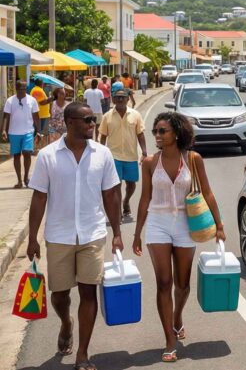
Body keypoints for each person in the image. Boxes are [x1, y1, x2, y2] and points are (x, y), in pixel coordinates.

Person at [26, 101, 123, 369]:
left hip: (92, 233)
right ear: (69, 123)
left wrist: (116, 232)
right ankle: (66, 322)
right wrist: (32, 238)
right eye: (87, 120)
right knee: (59, 293)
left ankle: (82, 353)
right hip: (59, 235)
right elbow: (39, 197)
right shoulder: (47, 156)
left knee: (89, 292)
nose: (93, 124)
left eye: (93, 119)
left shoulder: (103, 154)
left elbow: (111, 195)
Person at [133, 112, 226, 363]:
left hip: (186, 225)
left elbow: (208, 192)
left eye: (162, 131)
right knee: (164, 282)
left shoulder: (193, 159)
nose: (158, 135)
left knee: (182, 284)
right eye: (155, 131)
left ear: (176, 132)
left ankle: (177, 317)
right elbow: (144, 198)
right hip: (157, 224)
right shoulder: (151, 162)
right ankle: (169, 340)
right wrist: (137, 233)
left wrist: (219, 225)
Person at [99, 89, 148, 221]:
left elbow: (140, 134)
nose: (120, 100)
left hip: (131, 155)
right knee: (117, 185)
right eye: (117, 97)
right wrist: (101, 153)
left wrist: (144, 152)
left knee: (131, 184)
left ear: (128, 99)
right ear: (113, 100)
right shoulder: (107, 116)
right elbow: (103, 136)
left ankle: (126, 201)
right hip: (113, 156)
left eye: (123, 97)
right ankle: (118, 211)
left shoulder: (135, 115)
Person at [3, 80, 42, 188]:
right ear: (16, 89)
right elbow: (6, 116)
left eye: (25, 88)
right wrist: (4, 130)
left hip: (28, 131)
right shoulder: (10, 101)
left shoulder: (32, 100)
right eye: (21, 89)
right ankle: (19, 180)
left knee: (27, 152)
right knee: (16, 156)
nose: (23, 91)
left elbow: (36, 117)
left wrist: (38, 131)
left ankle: (26, 178)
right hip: (14, 132)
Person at [31, 78, 51, 145]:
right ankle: (32, 146)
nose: (44, 84)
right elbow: (42, 102)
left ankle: (33, 146)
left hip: (40, 114)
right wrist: (50, 99)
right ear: (41, 83)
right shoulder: (37, 90)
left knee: (37, 131)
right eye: (43, 82)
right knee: (37, 131)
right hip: (40, 115)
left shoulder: (37, 89)